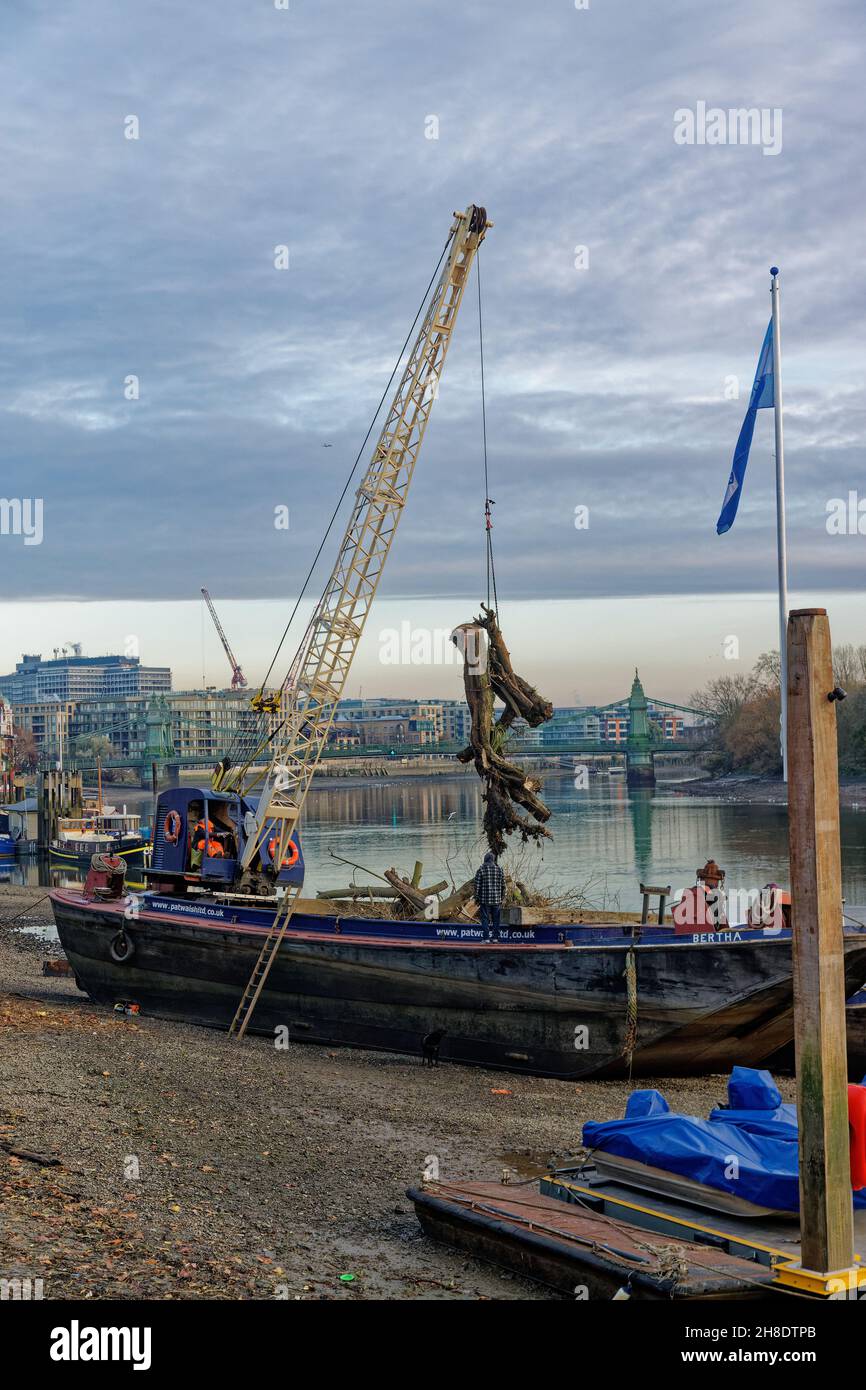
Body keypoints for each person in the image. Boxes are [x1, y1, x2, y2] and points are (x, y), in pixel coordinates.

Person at [474, 850, 505, 941]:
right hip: (496, 901)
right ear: (493, 859)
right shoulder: (499, 869)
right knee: (496, 920)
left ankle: (486, 939)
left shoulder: (481, 869)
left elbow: (477, 886)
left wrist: (477, 898)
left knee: (485, 920)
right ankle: (495, 938)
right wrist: (502, 898)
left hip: (485, 900)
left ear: (485, 859)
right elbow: (504, 886)